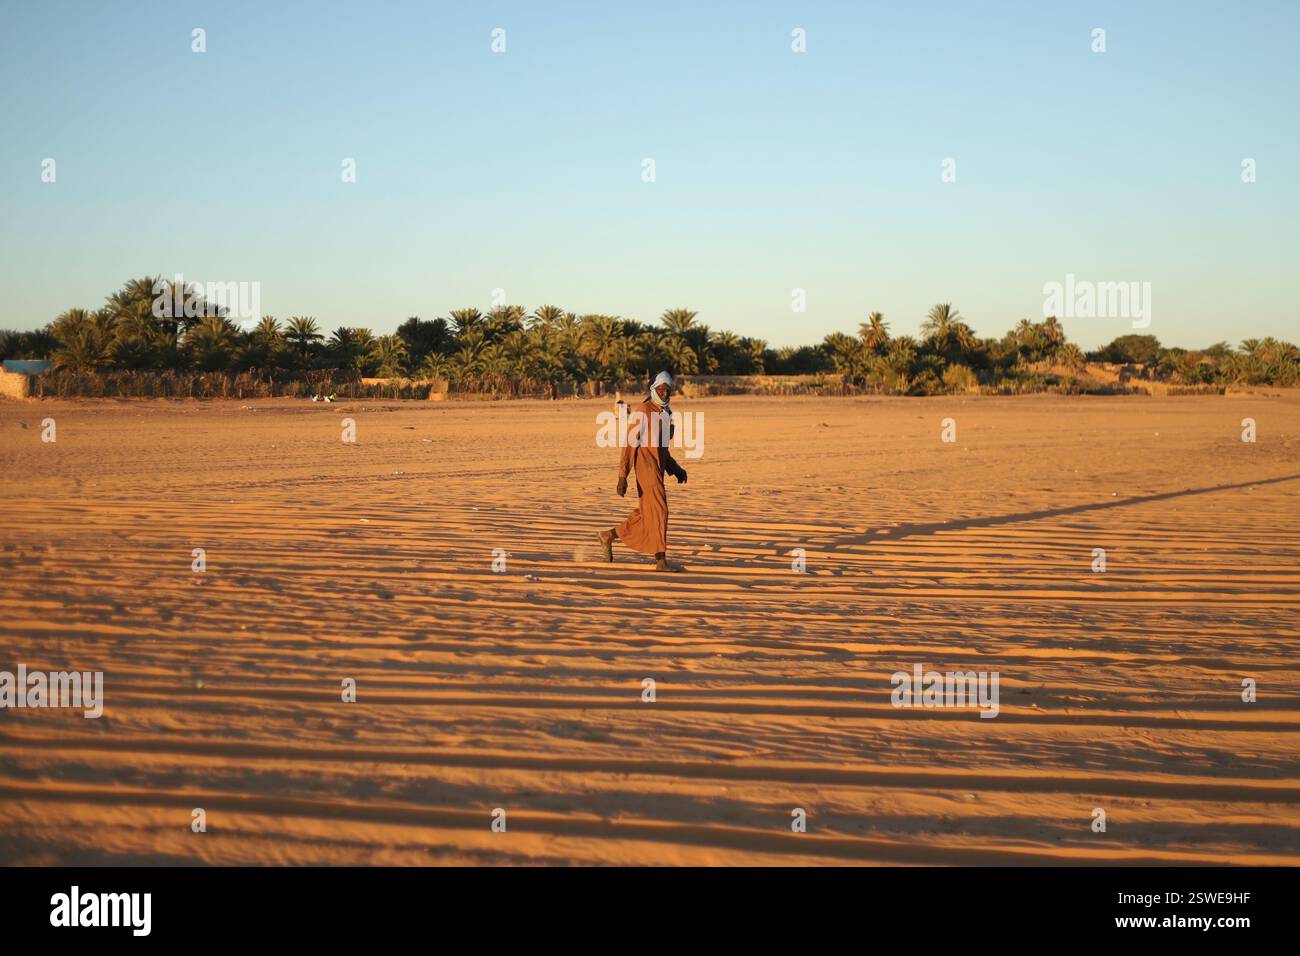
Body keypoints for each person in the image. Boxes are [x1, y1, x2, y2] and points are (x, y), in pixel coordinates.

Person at [597, 370, 688, 571]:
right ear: (653, 389)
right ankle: (660, 560)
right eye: (661, 389)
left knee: (647, 514)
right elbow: (629, 445)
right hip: (645, 468)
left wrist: (676, 469)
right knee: (660, 510)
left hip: (658, 468)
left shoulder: (665, 413)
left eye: (667, 390)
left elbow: (663, 449)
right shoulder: (643, 411)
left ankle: (608, 535)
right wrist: (622, 476)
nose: (664, 393)